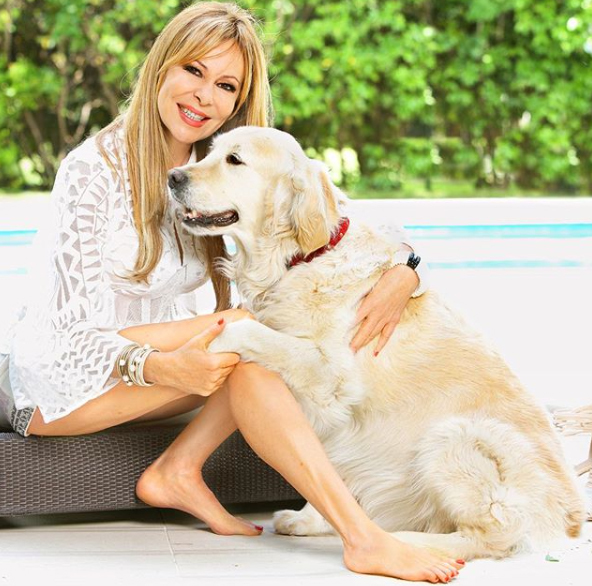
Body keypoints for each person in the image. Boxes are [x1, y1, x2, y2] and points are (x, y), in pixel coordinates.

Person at [0, 2, 464, 582]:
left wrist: (406, 267)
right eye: (193, 70)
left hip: (155, 370)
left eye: (225, 85)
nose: (204, 96)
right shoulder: (91, 171)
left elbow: (335, 213)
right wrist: (158, 366)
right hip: (57, 381)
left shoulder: (219, 166)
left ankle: (178, 471)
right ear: (161, 66)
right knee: (247, 331)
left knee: (261, 345)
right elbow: (64, 336)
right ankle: (363, 538)